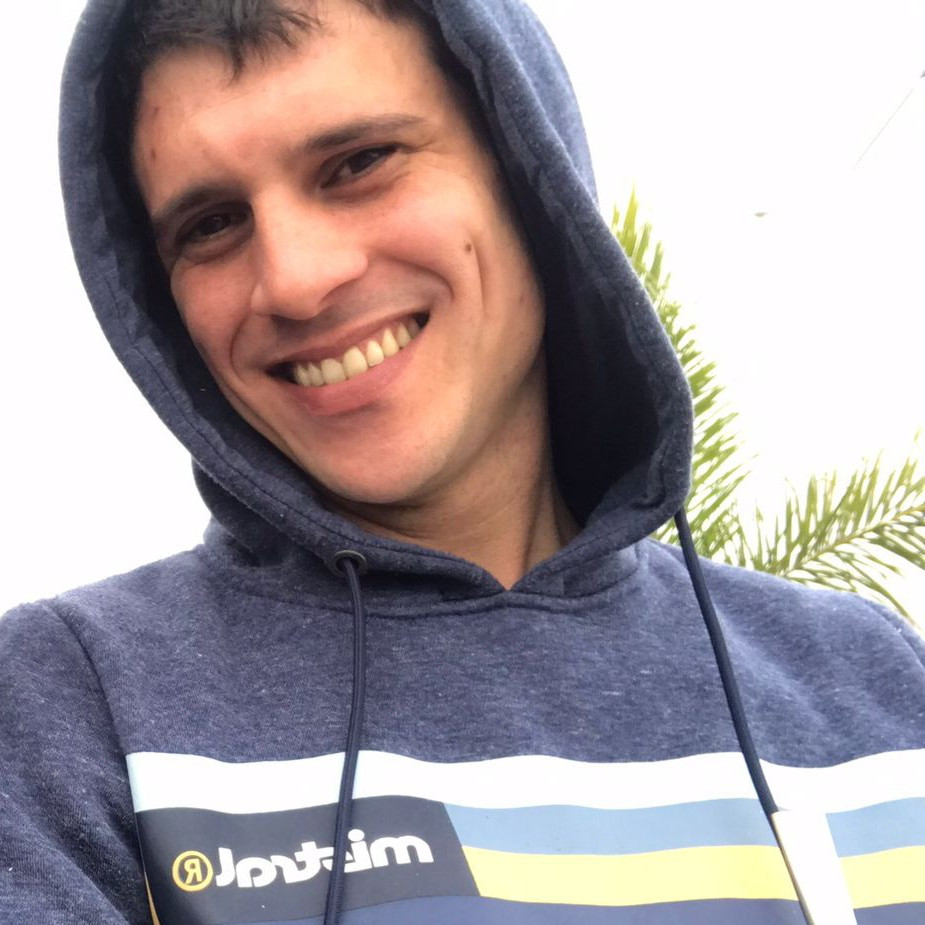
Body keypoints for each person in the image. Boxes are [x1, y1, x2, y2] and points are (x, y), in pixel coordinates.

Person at [2, 0, 924, 923]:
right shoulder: (73, 701)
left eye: (358, 162)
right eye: (210, 224)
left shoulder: (872, 684)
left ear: (528, 177)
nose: (294, 278)